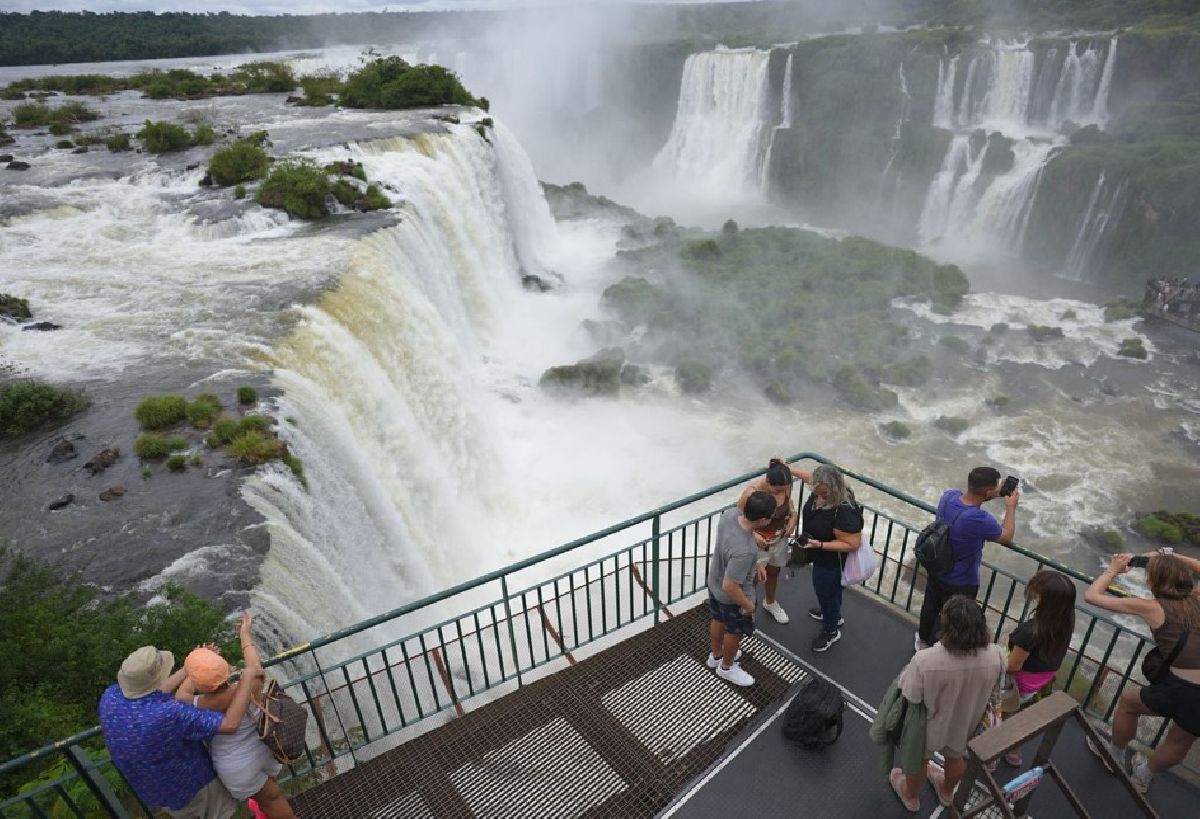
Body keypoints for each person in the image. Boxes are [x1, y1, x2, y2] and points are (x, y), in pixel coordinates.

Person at [99, 614, 263, 819]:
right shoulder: (169, 714)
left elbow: (151, 694)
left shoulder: (111, 697)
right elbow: (230, 725)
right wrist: (247, 678)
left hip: (152, 788)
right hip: (192, 785)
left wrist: (189, 669)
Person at [1083, 549, 1200, 792]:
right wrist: (1173, 555)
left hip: (1184, 688)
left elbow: (1092, 596)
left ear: (1153, 582)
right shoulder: (1196, 598)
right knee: (1181, 739)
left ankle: (1113, 755)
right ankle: (1143, 776)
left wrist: (1114, 569)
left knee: (1128, 703)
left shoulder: (1153, 607)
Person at [889, 596, 1005, 813]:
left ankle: (910, 794)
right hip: (967, 721)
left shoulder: (925, 660)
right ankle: (946, 790)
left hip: (928, 724)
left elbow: (910, 697)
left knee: (918, 759)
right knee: (956, 756)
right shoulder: (996, 655)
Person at [178, 616, 296, 819]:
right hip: (266, 746)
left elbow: (181, 693)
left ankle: (265, 812)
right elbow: (253, 660)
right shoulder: (251, 684)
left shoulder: (196, 704)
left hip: (238, 765)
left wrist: (198, 665)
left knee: (270, 799)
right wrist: (244, 634)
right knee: (272, 794)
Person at [917, 467, 1018, 651]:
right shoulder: (978, 519)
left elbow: (972, 498)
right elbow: (1006, 536)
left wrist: (993, 493)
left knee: (931, 606)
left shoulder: (948, 497)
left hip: (937, 567)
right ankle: (937, 650)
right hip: (961, 580)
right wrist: (1010, 508)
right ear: (988, 491)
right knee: (953, 618)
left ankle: (923, 641)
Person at [1001, 570, 1076, 766]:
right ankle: (1014, 752)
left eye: (1037, 593)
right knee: (1016, 712)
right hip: (1040, 681)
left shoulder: (1030, 632)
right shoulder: (1066, 622)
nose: (1034, 596)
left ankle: (988, 756)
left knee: (1003, 711)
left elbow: (1012, 666)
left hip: (1019, 683)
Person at [706, 490, 777, 686]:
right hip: (732, 597)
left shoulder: (729, 515)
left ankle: (716, 656)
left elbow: (748, 493)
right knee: (734, 631)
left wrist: (756, 559)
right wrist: (748, 605)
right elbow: (730, 585)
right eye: (771, 516)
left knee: (718, 618)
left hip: (713, 582)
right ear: (762, 520)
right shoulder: (745, 551)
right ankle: (727, 667)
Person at [790, 463, 864, 652]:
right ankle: (833, 615)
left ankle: (831, 631)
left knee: (826, 591)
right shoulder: (821, 487)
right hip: (818, 554)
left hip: (831, 561)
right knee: (831, 592)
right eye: (815, 488)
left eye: (822, 491)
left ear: (832, 487)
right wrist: (787, 467)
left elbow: (852, 544)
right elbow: (810, 477)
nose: (817, 493)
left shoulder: (845, 510)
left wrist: (820, 545)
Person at [737, 458, 798, 624]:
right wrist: (754, 536)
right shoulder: (751, 493)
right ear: (768, 481)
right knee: (753, 576)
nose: (780, 493)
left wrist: (793, 518)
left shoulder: (785, 487)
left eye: (783, 490)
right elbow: (736, 520)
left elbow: (790, 504)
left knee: (774, 572)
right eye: (776, 490)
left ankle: (770, 602)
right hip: (757, 541)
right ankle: (746, 606)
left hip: (779, 539)